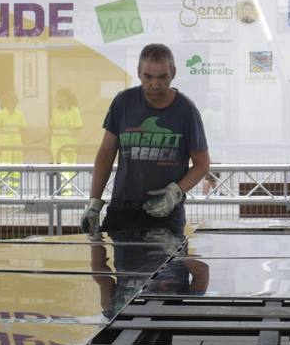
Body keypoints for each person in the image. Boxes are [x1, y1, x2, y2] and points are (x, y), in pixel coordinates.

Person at [82, 44, 212, 236]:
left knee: (167, 266)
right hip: (122, 210)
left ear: (173, 73)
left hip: (166, 215)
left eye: (162, 77)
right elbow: (106, 155)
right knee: (118, 266)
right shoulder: (123, 102)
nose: (155, 84)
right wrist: (94, 203)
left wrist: (174, 193)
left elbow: (202, 164)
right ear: (138, 73)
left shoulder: (186, 111)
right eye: (148, 77)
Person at [0, 88, 27, 196]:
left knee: (16, 170)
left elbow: (24, 132)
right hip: (4, 146)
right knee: (2, 169)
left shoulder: (20, 115)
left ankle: (12, 191)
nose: (11, 103)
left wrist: (25, 146)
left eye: (13, 101)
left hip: (17, 147)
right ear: (5, 102)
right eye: (9, 101)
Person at [50, 88, 84, 197]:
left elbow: (78, 129)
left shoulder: (74, 111)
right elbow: (51, 128)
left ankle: (65, 191)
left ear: (66, 97)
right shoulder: (55, 111)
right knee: (63, 168)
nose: (57, 98)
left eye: (60, 96)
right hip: (58, 146)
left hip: (70, 145)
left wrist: (78, 144)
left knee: (70, 170)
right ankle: (66, 194)